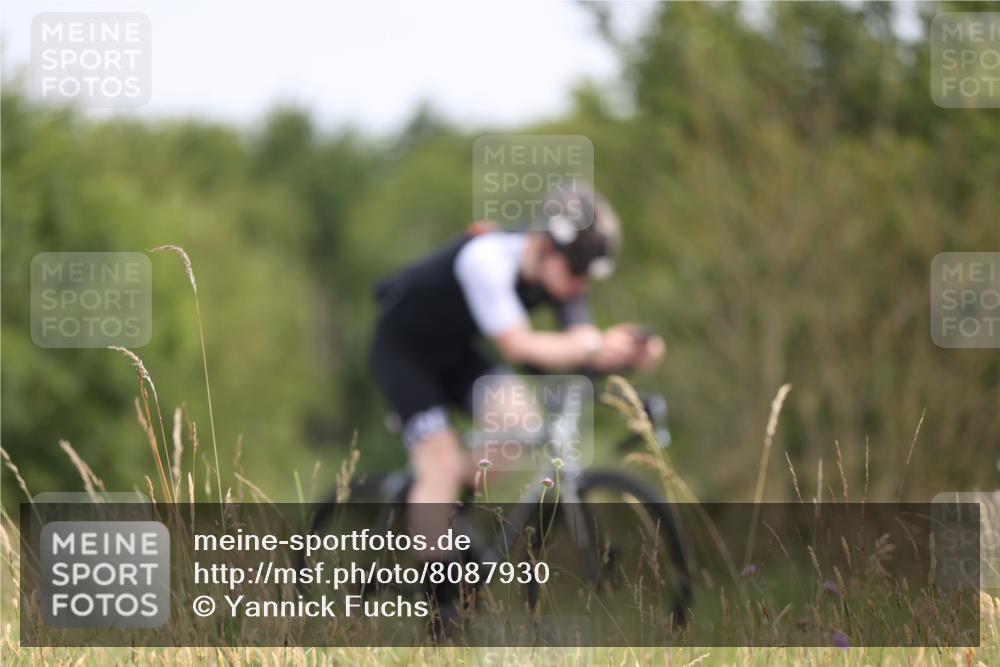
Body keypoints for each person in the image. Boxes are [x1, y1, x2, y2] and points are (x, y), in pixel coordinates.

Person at [370, 181, 664, 526]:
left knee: (519, 421)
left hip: (455, 352)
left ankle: (446, 516)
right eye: (575, 271)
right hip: (403, 353)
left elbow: (580, 346)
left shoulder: (559, 274)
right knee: (441, 465)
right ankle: (436, 565)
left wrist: (627, 354)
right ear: (545, 245)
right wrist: (596, 344)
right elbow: (519, 346)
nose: (579, 285)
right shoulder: (486, 259)